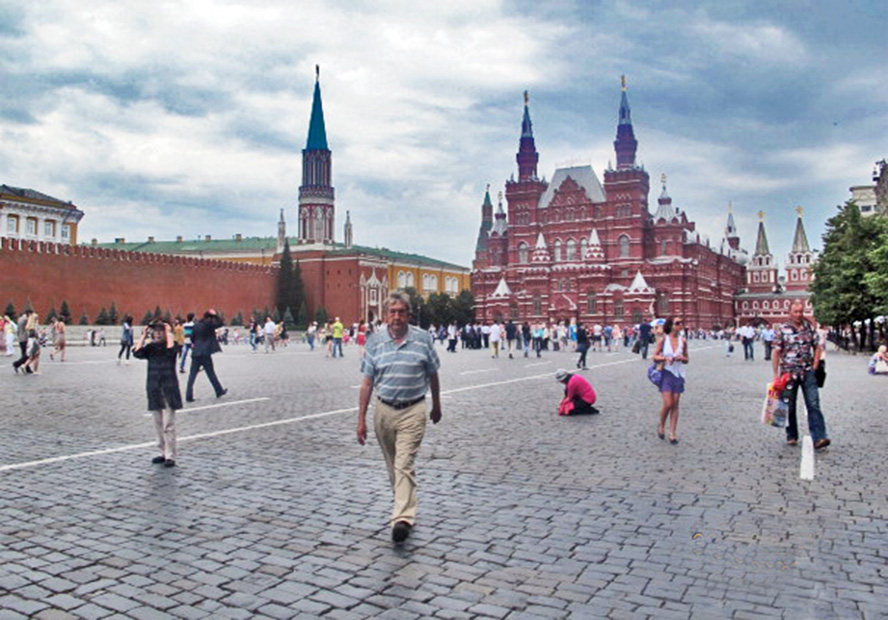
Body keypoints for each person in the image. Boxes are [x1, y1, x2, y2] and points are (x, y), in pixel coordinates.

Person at [356, 291, 442, 544]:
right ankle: (404, 500)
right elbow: (367, 382)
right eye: (392, 312)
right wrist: (361, 419)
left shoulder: (422, 339)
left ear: (409, 314)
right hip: (383, 409)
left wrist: (437, 405)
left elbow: (433, 373)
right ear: (385, 316)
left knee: (404, 463)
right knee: (394, 464)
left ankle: (402, 518)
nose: (397, 317)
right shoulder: (375, 342)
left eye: (401, 312)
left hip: (413, 409)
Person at [772, 300, 830, 450]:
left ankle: (819, 437)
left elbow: (817, 346)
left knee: (813, 404)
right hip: (788, 373)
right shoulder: (782, 329)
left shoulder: (809, 328)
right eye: (796, 312)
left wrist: (815, 365)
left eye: (801, 312)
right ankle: (791, 434)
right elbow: (776, 352)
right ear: (789, 313)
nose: (799, 314)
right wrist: (776, 375)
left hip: (807, 372)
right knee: (789, 406)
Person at [133, 320, 182, 468]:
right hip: (154, 387)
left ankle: (170, 455)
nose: (158, 333)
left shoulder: (172, 345)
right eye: (156, 331)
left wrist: (169, 333)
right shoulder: (151, 348)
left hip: (169, 388)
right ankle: (162, 452)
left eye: (161, 331)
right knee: (158, 424)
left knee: (168, 425)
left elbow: (171, 352)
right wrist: (143, 335)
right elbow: (137, 353)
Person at [652, 317, 688, 444]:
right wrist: (664, 358)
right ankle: (661, 424)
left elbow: (687, 359)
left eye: (681, 323)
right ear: (671, 325)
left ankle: (672, 433)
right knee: (668, 403)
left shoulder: (683, 341)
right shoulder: (664, 340)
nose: (680, 325)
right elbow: (654, 356)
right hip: (666, 373)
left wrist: (682, 358)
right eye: (678, 323)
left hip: (678, 374)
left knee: (675, 404)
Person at [185, 309, 228, 402]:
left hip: (196, 353)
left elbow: (192, 338)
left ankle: (188, 395)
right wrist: (215, 315)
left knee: (192, 375)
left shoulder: (196, 325)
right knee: (211, 373)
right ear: (210, 318)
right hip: (205, 353)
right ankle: (219, 391)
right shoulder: (209, 324)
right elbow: (221, 323)